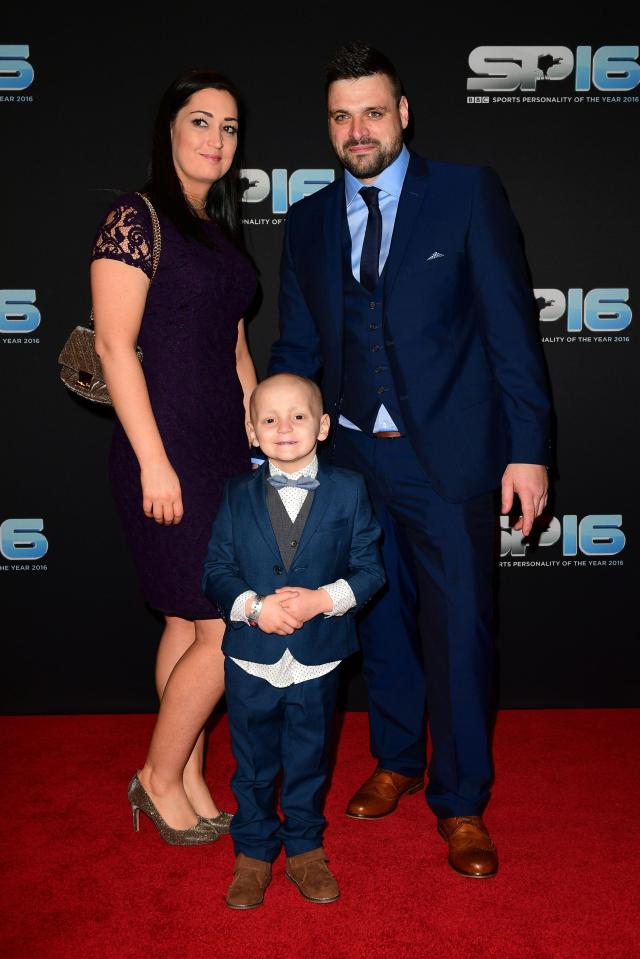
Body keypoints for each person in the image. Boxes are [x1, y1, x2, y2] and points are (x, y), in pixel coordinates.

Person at [269, 42, 553, 877]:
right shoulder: (311, 218)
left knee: (459, 629)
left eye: (373, 111)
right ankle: (397, 757)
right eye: (341, 115)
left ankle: (462, 802)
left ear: (403, 115)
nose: (358, 129)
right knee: (377, 620)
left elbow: (511, 329)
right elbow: (296, 342)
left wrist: (530, 450)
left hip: (450, 458)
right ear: (330, 126)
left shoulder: (466, 193)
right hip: (351, 459)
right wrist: (282, 440)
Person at [89, 69, 258, 842]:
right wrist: (154, 460)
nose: (215, 140)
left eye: (228, 128)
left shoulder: (216, 229)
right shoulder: (136, 216)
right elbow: (117, 348)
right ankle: (157, 776)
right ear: (169, 130)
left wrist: (259, 427)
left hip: (225, 447)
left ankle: (186, 772)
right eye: (201, 122)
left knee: (188, 625)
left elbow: (234, 342)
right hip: (165, 447)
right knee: (228, 626)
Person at [202, 373, 385, 908]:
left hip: (319, 656)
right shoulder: (234, 493)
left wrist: (321, 599)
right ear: (252, 431)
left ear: (323, 426)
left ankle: (305, 849)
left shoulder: (350, 489)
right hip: (251, 657)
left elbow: (371, 570)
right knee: (253, 762)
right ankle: (254, 852)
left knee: (308, 758)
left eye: (299, 416)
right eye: (270, 419)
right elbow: (216, 571)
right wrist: (255, 609)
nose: (285, 428)